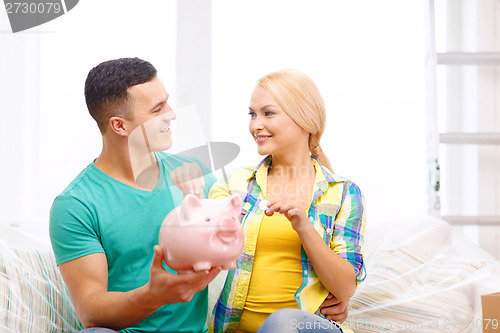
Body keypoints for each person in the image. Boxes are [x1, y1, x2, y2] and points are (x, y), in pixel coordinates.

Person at [49, 57, 220, 333]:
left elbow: (250, 235)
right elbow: (91, 312)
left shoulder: (194, 175)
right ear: (119, 126)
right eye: (157, 109)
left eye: (167, 101)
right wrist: (154, 295)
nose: (172, 114)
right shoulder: (75, 205)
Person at [208, 69, 366, 333]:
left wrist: (303, 226)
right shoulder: (233, 185)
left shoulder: (343, 193)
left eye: (268, 113)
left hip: (307, 328)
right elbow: (200, 247)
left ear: (305, 119)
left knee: (282, 322)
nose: (255, 124)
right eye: (252, 114)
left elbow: (345, 287)